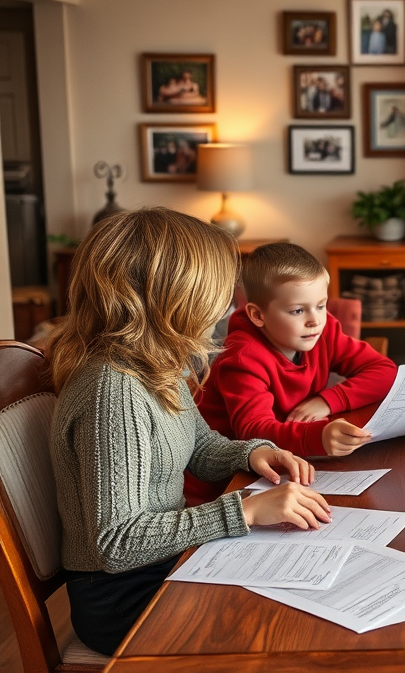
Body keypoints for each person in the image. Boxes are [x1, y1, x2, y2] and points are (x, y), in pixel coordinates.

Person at [48, 208, 331, 655]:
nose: (228, 307)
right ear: (175, 297)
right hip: (124, 596)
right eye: (219, 294)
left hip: (165, 561)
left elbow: (198, 445)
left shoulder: (156, 363)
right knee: (292, 623)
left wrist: (252, 453)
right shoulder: (114, 391)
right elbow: (116, 544)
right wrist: (246, 511)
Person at [186, 243, 398, 504]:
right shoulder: (243, 357)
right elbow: (253, 431)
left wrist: (329, 400)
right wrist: (319, 436)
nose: (315, 320)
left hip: (284, 464)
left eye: (321, 305)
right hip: (225, 486)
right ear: (257, 315)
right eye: (298, 310)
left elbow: (384, 371)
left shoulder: (322, 329)